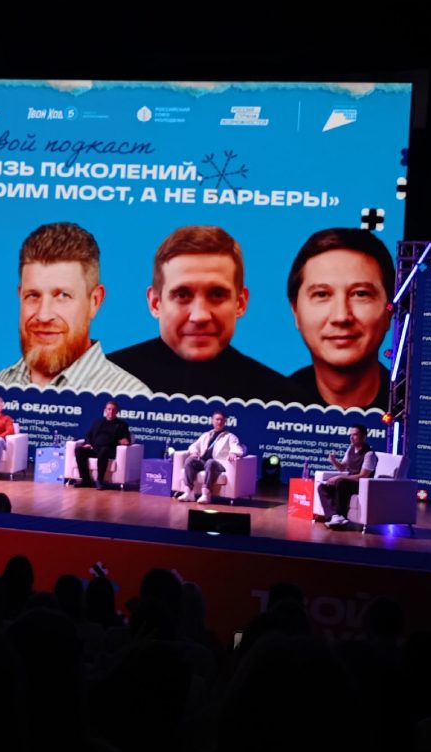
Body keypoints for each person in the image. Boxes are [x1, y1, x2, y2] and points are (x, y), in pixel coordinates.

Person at [109, 225, 296, 402]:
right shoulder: (100, 384)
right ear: (155, 303)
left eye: (217, 294)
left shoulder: (285, 401)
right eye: (182, 295)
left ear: (240, 303)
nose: (200, 316)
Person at [0, 222, 149, 394]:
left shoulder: (131, 398)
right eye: (33, 295)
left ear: (95, 301)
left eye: (63, 296)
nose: (43, 315)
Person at [285, 228, 395, 410]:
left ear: (389, 310)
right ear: (295, 311)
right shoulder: (271, 406)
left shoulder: (421, 410)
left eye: (360, 294)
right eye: (322, 294)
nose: (341, 316)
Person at [174, 410, 245, 504]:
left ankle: (206, 494)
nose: (219, 422)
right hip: (203, 462)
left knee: (210, 462)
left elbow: (238, 448)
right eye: (217, 419)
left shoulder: (230, 436)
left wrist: (233, 452)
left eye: (222, 420)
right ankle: (189, 493)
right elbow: (194, 445)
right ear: (212, 421)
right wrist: (194, 452)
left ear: (225, 421)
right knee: (189, 460)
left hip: (219, 464)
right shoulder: (207, 435)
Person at [318, 423, 378, 528]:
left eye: (355, 435)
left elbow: (363, 476)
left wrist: (340, 477)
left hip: (362, 485)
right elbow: (342, 467)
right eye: (350, 435)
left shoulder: (369, 454)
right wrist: (334, 461)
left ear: (364, 437)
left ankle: (341, 515)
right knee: (323, 487)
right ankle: (334, 516)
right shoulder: (350, 449)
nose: (351, 437)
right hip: (349, 482)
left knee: (341, 483)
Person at [72, 400, 132, 490]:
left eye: (113, 410)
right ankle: (86, 480)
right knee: (79, 450)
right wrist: (88, 444)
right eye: (109, 409)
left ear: (117, 412)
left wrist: (125, 441)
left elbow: (127, 440)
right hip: (95, 449)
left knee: (104, 450)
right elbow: (88, 435)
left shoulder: (122, 425)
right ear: (105, 410)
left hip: (109, 450)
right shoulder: (98, 422)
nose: (111, 411)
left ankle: (99, 480)